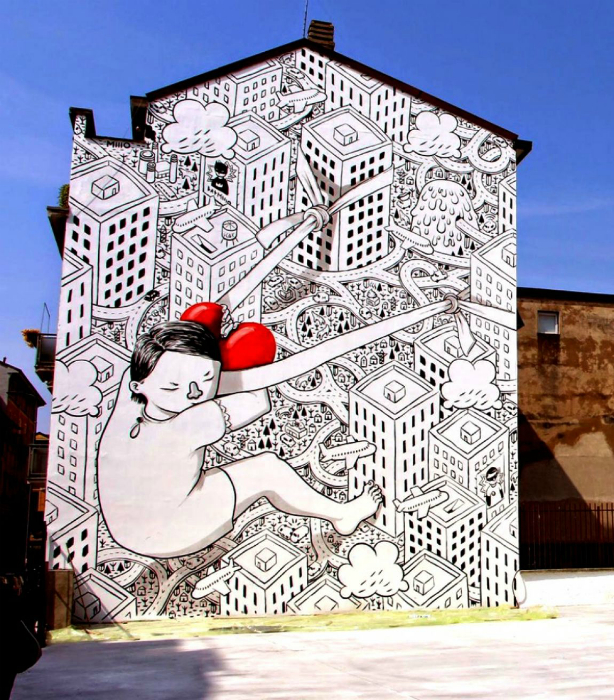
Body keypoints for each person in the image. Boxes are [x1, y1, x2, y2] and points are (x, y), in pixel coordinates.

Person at [97, 321, 382, 559]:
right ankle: (342, 514)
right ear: (139, 385)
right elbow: (258, 401)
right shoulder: (191, 423)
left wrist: (201, 364)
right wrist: (236, 360)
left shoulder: (131, 393)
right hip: (170, 531)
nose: (193, 393)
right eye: (173, 386)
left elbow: (177, 370)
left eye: (204, 378)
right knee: (267, 469)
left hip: (126, 525)